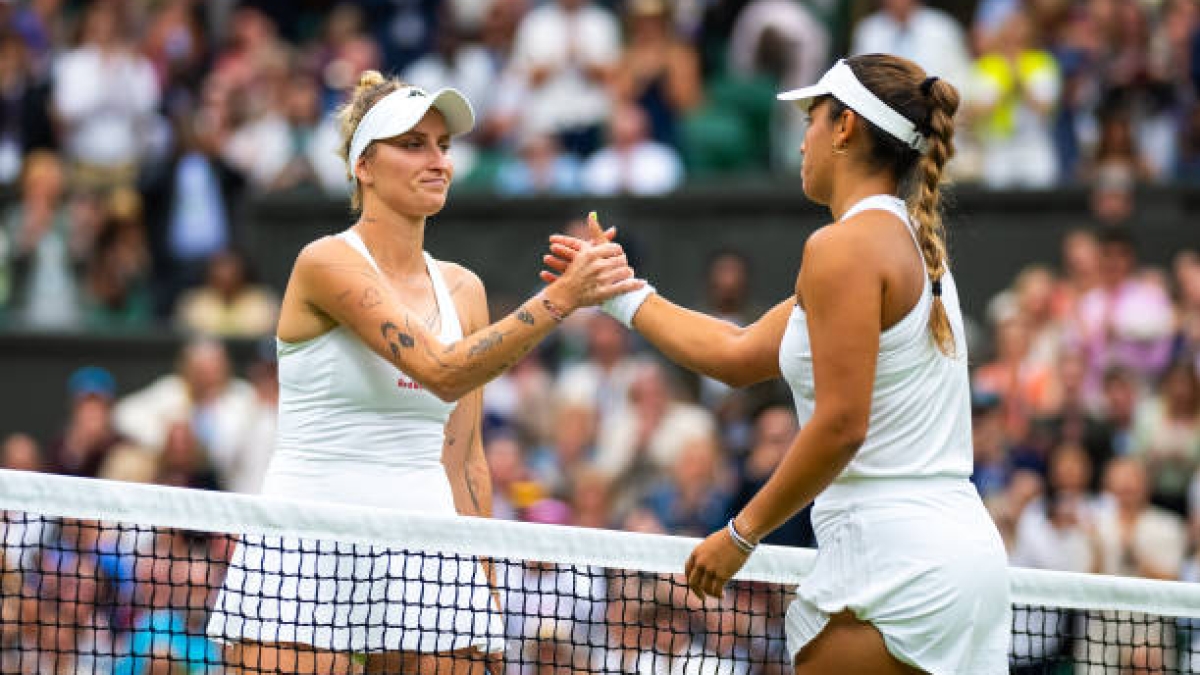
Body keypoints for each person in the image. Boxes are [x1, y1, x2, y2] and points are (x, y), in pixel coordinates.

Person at [546, 54, 1009, 673]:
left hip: (896, 564)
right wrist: (622, 294)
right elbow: (736, 356)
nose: (801, 139)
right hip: (959, 561)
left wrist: (740, 535)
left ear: (844, 128)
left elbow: (843, 424)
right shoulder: (903, 244)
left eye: (811, 118)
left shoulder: (842, 248)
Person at [207, 71, 638, 675]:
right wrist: (562, 299)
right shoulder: (325, 262)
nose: (437, 160)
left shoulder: (464, 289)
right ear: (364, 166)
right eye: (413, 145)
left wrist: (484, 587)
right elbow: (439, 369)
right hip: (305, 539)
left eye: (444, 146)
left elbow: (465, 459)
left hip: (428, 544)